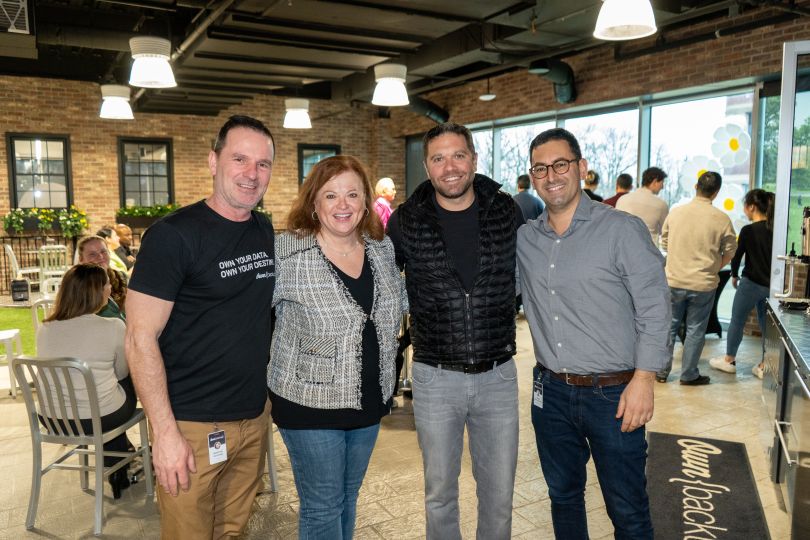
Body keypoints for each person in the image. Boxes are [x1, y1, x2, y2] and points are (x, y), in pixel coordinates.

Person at [125, 115, 276, 539]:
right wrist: (165, 434)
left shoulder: (264, 230)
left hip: (251, 420)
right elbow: (139, 339)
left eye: (263, 164)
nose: (251, 173)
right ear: (213, 161)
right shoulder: (172, 236)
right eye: (240, 159)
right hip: (191, 426)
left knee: (232, 531)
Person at [518, 128, 669, 539]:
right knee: (563, 497)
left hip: (614, 396)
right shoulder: (526, 240)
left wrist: (644, 379)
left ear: (581, 168)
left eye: (560, 164)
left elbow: (656, 308)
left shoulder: (622, 229)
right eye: (540, 168)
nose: (551, 175)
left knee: (628, 511)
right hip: (550, 394)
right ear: (532, 176)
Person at [387, 122, 523, 539]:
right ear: (427, 166)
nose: (450, 167)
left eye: (458, 155)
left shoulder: (506, 211)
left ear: (474, 160)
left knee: (498, 495)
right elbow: (386, 287)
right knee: (440, 493)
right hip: (434, 376)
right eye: (438, 158)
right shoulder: (405, 221)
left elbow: (528, 277)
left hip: (498, 374)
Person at [269, 155, 406, 539]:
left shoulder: (381, 250)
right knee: (323, 506)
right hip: (307, 403)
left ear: (366, 202)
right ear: (314, 202)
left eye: (352, 194)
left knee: (347, 496)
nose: (342, 205)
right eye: (331, 195)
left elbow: (398, 304)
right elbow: (248, 314)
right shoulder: (287, 252)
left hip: (368, 400)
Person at [36, 263, 136, 499]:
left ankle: (118, 462)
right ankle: (118, 462)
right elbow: (122, 372)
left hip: (53, 418)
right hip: (96, 419)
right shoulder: (112, 326)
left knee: (103, 394)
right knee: (126, 382)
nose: (110, 288)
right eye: (107, 284)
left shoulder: (45, 327)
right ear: (98, 291)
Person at [658, 171, 737, 385]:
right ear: (716, 192)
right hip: (703, 283)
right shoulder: (722, 219)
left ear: (695, 186)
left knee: (669, 326)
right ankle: (689, 374)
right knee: (695, 329)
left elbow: (664, 243)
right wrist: (714, 267)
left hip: (673, 280)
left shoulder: (676, 213)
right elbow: (730, 251)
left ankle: (661, 372)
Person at [710, 189, 774, 379]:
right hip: (770, 285)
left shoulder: (748, 230)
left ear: (752, 207)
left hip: (751, 283)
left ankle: (729, 360)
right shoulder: (775, 229)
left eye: (745, 206)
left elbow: (737, 256)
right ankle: (765, 364)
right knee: (766, 326)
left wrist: (734, 275)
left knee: (737, 320)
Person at [77, 235, 127, 319]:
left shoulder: (121, 277)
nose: (100, 257)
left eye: (103, 251)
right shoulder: (77, 284)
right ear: (81, 259)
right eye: (92, 254)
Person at [616, 167, 669, 245]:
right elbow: (665, 232)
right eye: (662, 182)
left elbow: (616, 227)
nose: (662, 187)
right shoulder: (661, 204)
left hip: (623, 249)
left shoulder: (622, 199)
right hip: (648, 252)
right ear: (655, 182)